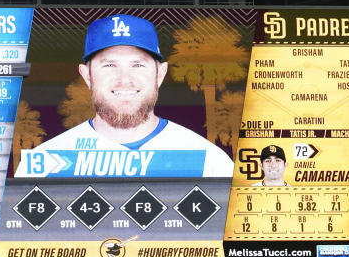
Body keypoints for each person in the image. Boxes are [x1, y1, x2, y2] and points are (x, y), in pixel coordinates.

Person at [25, 14, 233, 178]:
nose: (124, 79)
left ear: (160, 74)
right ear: (87, 75)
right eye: (109, 65)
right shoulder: (43, 163)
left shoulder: (208, 161)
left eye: (138, 64)